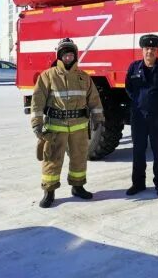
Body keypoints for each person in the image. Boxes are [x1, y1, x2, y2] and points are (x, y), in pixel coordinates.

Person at [31, 38, 104, 208]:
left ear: (75, 56)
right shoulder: (47, 76)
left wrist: (98, 118)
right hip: (55, 127)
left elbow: (94, 99)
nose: (68, 58)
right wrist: (37, 122)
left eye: (71, 54)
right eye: (65, 55)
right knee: (52, 159)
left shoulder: (83, 77)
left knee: (79, 159)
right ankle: (49, 192)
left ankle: (78, 187)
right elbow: (37, 101)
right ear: (59, 56)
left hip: (79, 127)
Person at [125, 34, 158, 197]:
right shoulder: (133, 67)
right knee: (138, 151)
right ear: (142, 50)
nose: (149, 52)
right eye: (147, 49)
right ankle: (138, 183)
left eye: (153, 49)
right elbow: (129, 89)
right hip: (138, 117)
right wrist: (139, 103)